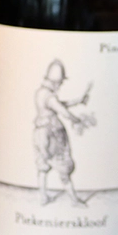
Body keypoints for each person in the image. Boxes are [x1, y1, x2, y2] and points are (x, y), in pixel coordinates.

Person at [34, 59, 95, 207]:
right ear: (56, 82)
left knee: (43, 166)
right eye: (60, 83)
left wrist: (78, 101)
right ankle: (74, 200)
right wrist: (77, 120)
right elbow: (63, 111)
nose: (60, 86)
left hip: (40, 132)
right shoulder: (50, 96)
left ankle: (43, 197)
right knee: (63, 167)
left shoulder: (41, 93)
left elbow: (59, 104)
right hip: (52, 134)